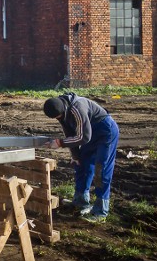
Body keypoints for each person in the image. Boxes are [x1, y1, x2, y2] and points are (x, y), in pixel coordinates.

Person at [43, 92, 120, 222]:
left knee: (100, 170)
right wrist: (75, 155)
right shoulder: (62, 112)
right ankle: (80, 201)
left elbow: (84, 137)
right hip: (88, 133)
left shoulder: (77, 109)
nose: (59, 119)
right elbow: (70, 133)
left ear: (63, 110)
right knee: (81, 164)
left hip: (105, 131)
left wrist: (60, 143)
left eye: (59, 117)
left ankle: (101, 211)